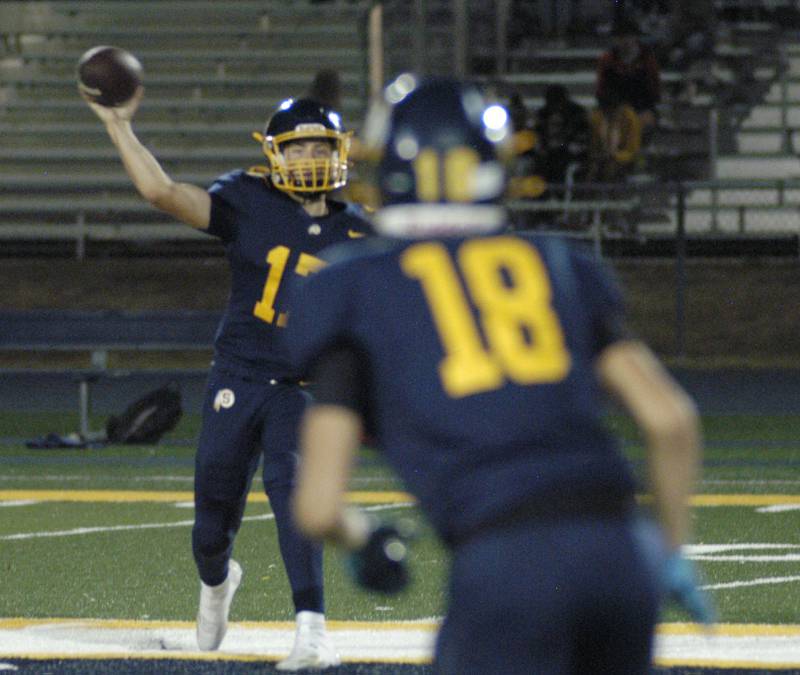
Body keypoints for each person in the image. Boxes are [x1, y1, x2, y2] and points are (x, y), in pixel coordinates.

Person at [286, 75, 714, 673]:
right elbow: (670, 419)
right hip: (621, 549)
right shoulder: (558, 262)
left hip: (506, 557)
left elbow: (316, 506)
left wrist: (366, 540)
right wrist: (668, 549)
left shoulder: (349, 288)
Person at [82, 87, 372, 670]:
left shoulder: (364, 232)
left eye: (321, 145)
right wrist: (119, 127)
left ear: (340, 151)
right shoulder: (248, 201)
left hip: (304, 387)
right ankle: (217, 581)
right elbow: (160, 192)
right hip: (238, 376)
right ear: (274, 155)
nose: (311, 157)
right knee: (211, 520)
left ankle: (311, 627)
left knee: (291, 484)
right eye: (298, 147)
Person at [596, 17, 661, 135]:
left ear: (635, 37)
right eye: (621, 37)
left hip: (641, 107)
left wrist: (644, 109)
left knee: (642, 122)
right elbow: (601, 89)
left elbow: (654, 90)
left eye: (628, 36)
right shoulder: (607, 60)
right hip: (614, 107)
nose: (625, 41)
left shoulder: (647, 59)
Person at [588, 89, 642, 183]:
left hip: (624, 158)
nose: (610, 114)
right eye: (606, 111)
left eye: (613, 110)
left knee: (611, 167)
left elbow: (633, 150)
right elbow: (593, 144)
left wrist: (616, 156)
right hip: (601, 157)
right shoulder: (597, 117)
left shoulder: (630, 118)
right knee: (592, 169)